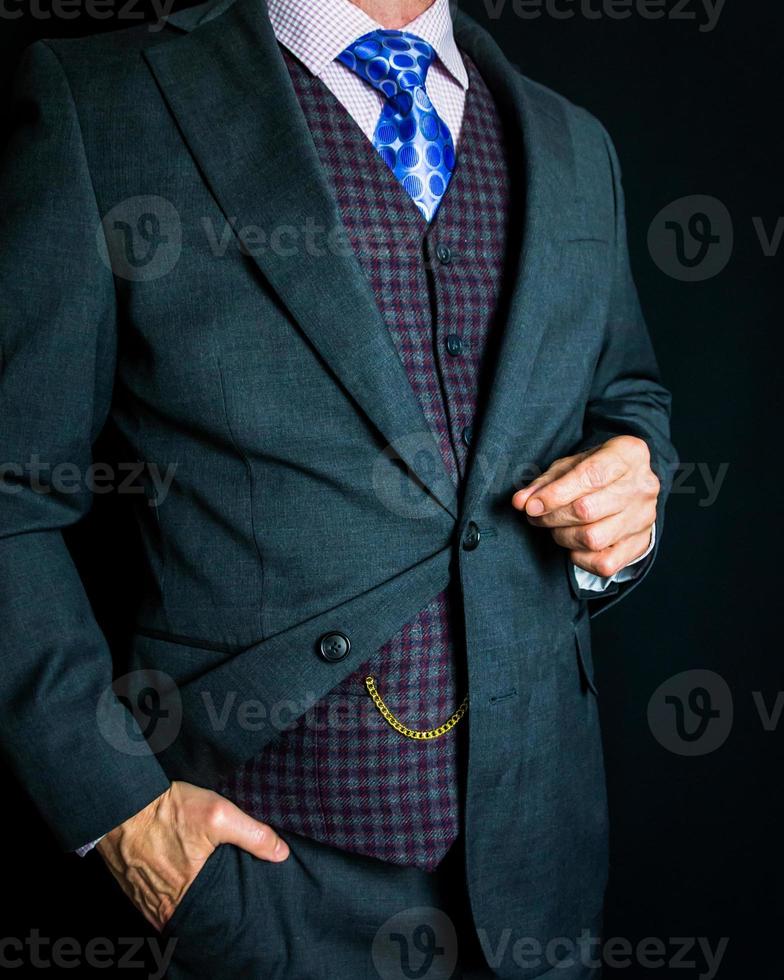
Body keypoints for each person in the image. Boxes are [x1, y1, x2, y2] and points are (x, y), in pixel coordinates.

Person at [0, 0, 677, 975]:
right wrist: (115, 808)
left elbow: (629, 397)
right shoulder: (99, 98)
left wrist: (628, 486)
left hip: (543, 862)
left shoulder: (573, 141)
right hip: (249, 876)